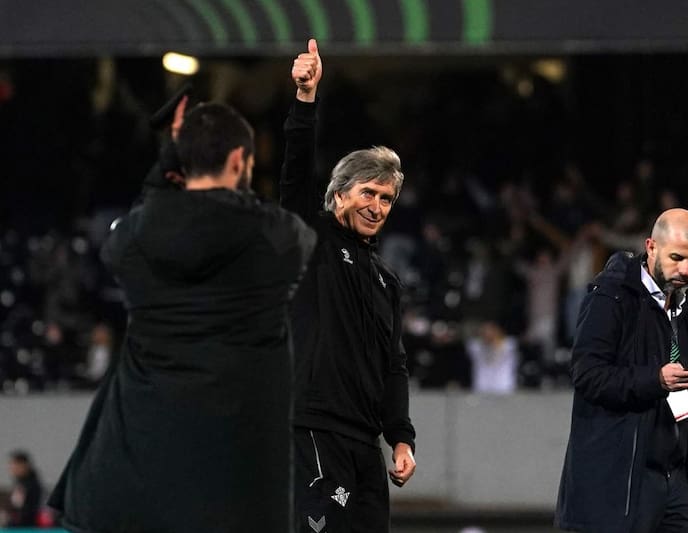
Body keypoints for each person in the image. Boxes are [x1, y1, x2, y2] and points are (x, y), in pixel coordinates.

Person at [48, 98, 317, 532]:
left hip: (129, 482)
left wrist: (171, 158)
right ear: (238, 160)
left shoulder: (131, 241)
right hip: (233, 494)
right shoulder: (277, 238)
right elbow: (288, 222)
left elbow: (147, 216)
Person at [283, 39, 416, 533]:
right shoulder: (311, 239)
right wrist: (305, 100)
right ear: (339, 195)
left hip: (366, 445)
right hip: (316, 429)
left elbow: (394, 366)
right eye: (368, 193)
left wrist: (401, 437)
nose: (377, 207)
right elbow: (295, 177)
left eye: (386, 199)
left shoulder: (386, 281)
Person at [555, 208, 688, 533]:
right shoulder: (611, 297)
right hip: (624, 478)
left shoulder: (687, 309)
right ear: (651, 247)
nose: (685, 270)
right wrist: (655, 380)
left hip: (674, 477)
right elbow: (588, 374)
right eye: (676, 258)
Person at [6, 450, 42, 527]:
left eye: (15, 465)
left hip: (26, 527)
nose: (12, 468)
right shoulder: (19, 483)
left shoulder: (31, 485)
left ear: (24, 465)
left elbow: (28, 512)